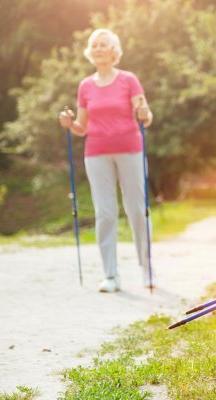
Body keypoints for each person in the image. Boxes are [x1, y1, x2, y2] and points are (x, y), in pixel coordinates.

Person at [59, 28, 154, 293]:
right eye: (95, 45)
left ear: (113, 50)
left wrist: (145, 112)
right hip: (96, 153)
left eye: (103, 44)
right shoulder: (86, 86)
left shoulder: (129, 80)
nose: (98, 48)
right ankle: (110, 276)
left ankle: (147, 270)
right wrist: (68, 124)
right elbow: (81, 126)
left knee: (137, 210)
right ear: (91, 52)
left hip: (130, 149)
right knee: (105, 213)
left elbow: (145, 116)